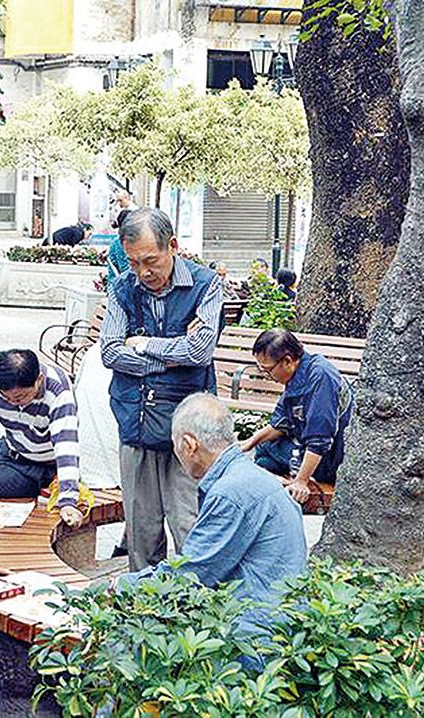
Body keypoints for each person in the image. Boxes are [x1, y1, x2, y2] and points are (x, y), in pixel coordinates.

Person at [100, 208, 224, 571]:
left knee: (189, 522)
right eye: (134, 262)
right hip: (135, 419)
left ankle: (198, 603)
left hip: (189, 427)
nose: (143, 272)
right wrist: (170, 355)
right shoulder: (123, 287)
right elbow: (110, 351)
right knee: (141, 526)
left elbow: (200, 351)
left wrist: (142, 344)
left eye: (150, 261)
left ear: (173, 246)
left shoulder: (205, 284)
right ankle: (143, 604)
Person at [118, 393, 307, 626]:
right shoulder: (251, 475)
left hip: (253, 630)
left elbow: (191, 574)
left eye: (175, 445)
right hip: (279, 615)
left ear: (189, 445)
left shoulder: (230, 492)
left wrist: (122, 585)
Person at [239, 329, 353, 503]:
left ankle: (301, 479)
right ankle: (287, 480)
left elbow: (320, 440)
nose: (267, 376)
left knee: (265, 460)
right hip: (305, 444)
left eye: (267, 370)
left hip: (331, 457)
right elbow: (280, 423)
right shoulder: (297, 374)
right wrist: (247, 444)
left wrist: (301, 481)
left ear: (287, 361)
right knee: (263, 452)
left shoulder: (321, 376)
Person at [0, 349, 84, 528]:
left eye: (20, 397)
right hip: (8, 449)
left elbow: (66, 445)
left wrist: (68, 501)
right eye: (6, 397)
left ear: (39, 379)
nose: (12, 403)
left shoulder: (57, 390)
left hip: (38, 467)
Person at [106, 191, 137, 283]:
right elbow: (124, 268)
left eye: (120, 200)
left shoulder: (125, 240)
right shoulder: (120, 242)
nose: (119, 204)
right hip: (120, 286)